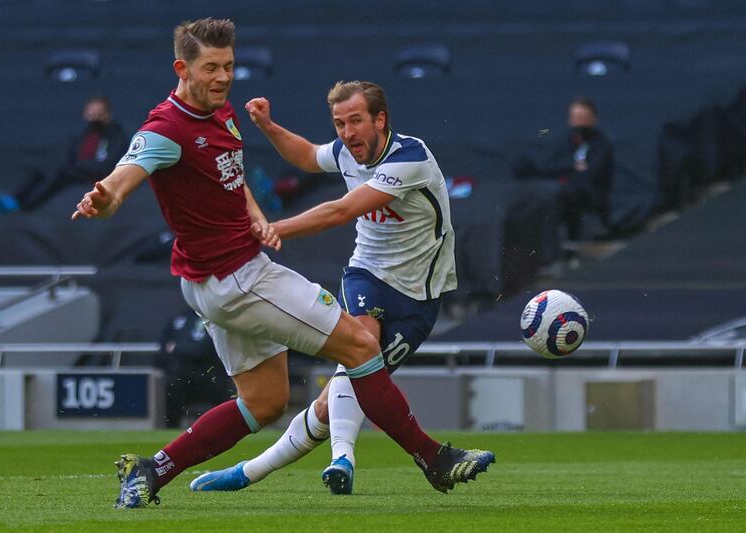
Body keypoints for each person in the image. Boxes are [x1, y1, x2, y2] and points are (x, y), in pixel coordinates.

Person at [71, 18, 493, 509]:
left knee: (265, 400)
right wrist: (107, 198)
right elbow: (127, 173)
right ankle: (431, 457)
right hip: (240, 278)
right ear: (181, 68)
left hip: (209, 281)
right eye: (211, 67)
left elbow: (232, 179)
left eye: (229, 65)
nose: (223, 77)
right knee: (360, 345)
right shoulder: (166, 128)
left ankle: (152, 470)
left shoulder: (219, 111)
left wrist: (256, 214)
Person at [189, 80, 491, 496]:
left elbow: (342, 209)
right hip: (366, 274)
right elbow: (308, 156)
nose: (347, 133)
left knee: (333, 401)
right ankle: (342, 459)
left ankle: (250, 471)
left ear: (380, 120)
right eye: (339, 123)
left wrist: (272, 229)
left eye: (355, 121)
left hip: (417, 297)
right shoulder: (345, 152)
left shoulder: (410, 158)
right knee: (360, 346)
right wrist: (269, 126)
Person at [514, 97, 614, 241]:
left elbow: (592, 172)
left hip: (589, 193)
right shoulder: (563, 141)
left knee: (566, 194)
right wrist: (571, 166)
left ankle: (573, 239)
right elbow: (550, 165)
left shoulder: (602, 145)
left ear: (593, 119)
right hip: (558, 187)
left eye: (584, 118)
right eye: (576, 118)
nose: (580, 122)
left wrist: (570, 170)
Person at [17, 95, 128, 210]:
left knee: (58, 176)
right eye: (91, 112)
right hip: (79, 170)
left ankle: (28, 206)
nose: (94, 117)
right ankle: (17, 199)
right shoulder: (85, 135)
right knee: (42, 172)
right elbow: (72, 155)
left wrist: (78, 166)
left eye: (98, 113)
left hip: (96, 176)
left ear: (107, 115)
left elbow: (107, 164)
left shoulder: (114, 136)